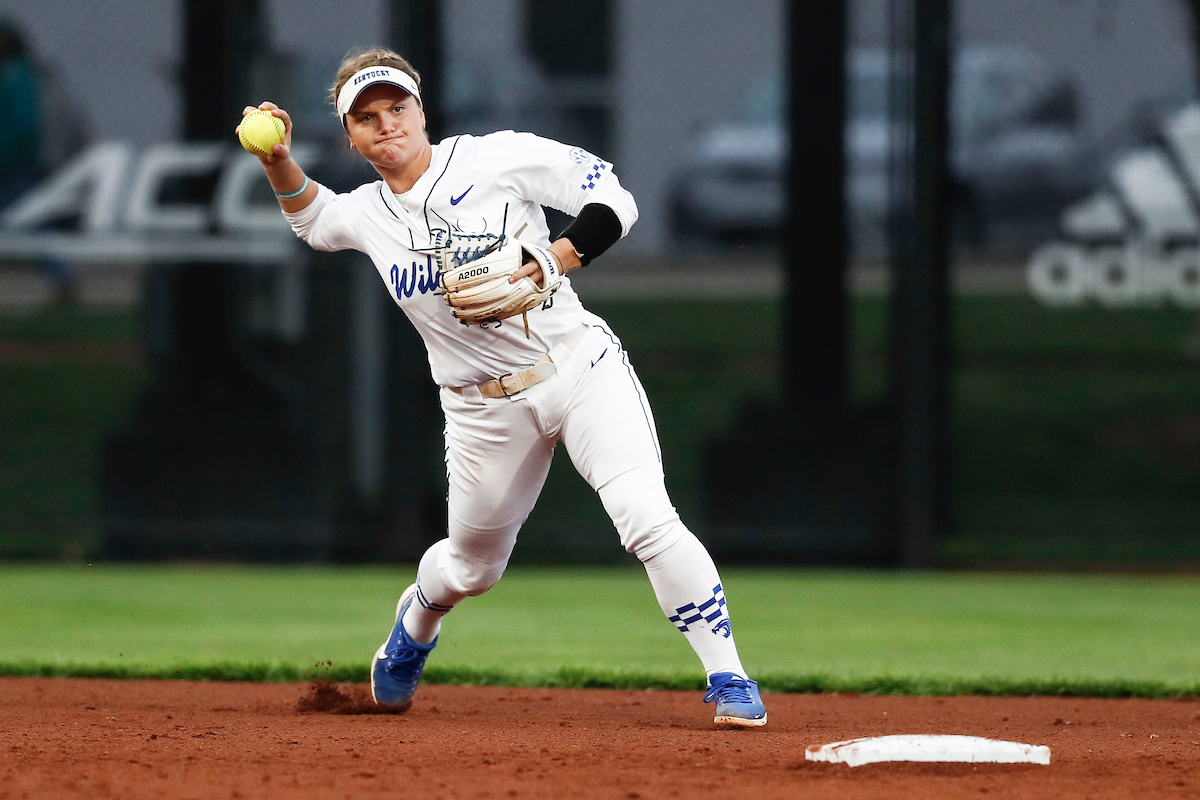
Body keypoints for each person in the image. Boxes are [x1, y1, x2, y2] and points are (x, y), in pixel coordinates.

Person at [238, 47, 767, 727]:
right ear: (351, 137)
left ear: (420, 110)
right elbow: (313, 219)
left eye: (397, 108)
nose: (387, 125)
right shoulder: (368, 213)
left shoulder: (496, 158)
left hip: (578, 368)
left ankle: (728, 676)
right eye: (367, 118)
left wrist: (554, 257)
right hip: (481, 409)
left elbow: (615, 200)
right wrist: (276, 159)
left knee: (644, 514)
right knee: (471, 568)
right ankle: (415, 626)